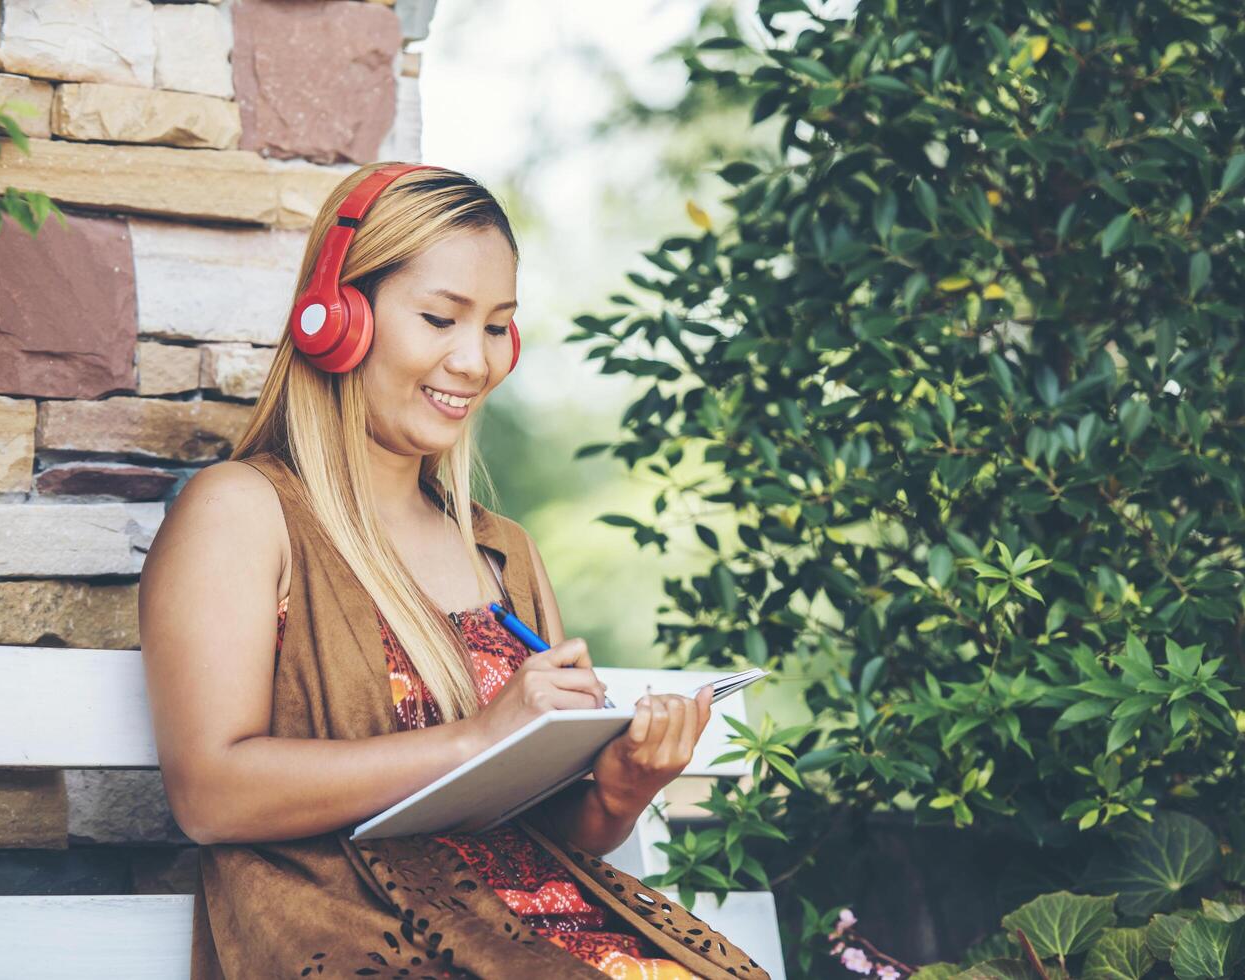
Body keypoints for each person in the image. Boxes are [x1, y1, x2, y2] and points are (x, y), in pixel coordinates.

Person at [138, 162, 772, 980]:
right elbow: (210, 794)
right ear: (337, 318)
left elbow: (542, 833)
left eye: (499, 326)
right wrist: (478, 736)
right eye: (440, 318)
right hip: (365, 936)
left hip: (556, 938)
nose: (474, 361)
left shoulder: (500, 549)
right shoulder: (244, 512)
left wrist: (619, 789)